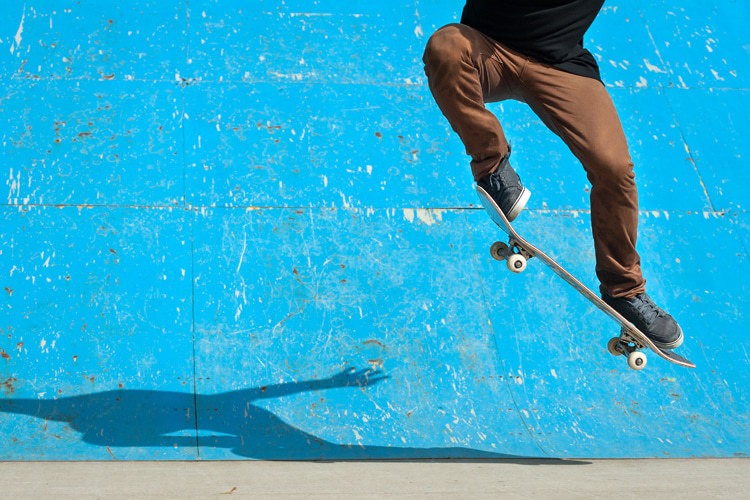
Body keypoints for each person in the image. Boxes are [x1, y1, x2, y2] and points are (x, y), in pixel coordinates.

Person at [422, 0, 683, 349]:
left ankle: (625, 290)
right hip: (488, 49)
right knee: (445, 46)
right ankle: (493, 166)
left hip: (562, 66)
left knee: (615, 169)